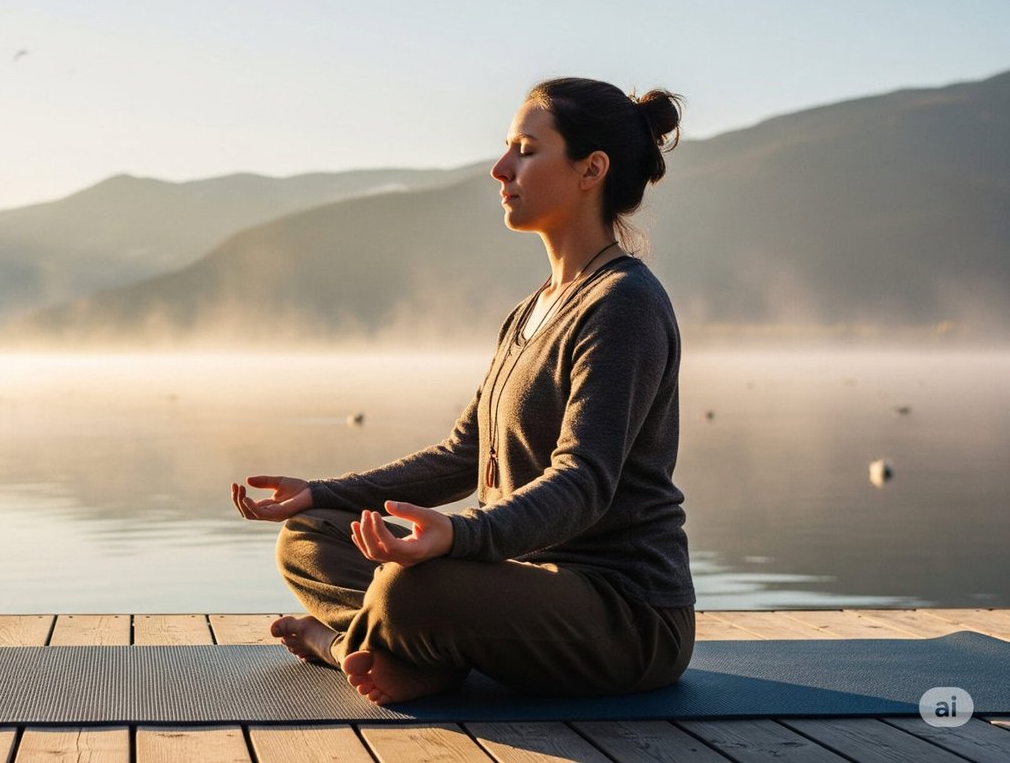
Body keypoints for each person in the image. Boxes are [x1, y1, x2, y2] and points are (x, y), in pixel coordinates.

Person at [231, 77, 696, 705]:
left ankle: (347, 645)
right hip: (516, 587)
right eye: (508, 148)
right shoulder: (532, 311)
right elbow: (461, 454)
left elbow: (585, 480)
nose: (501, 168)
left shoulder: (624, 305)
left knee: (408, 587)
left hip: (626, 616)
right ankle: (390, 651)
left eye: (526, 150)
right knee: (311, 536)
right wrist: (320, 492)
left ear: (592, 169)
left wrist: (458, 538)